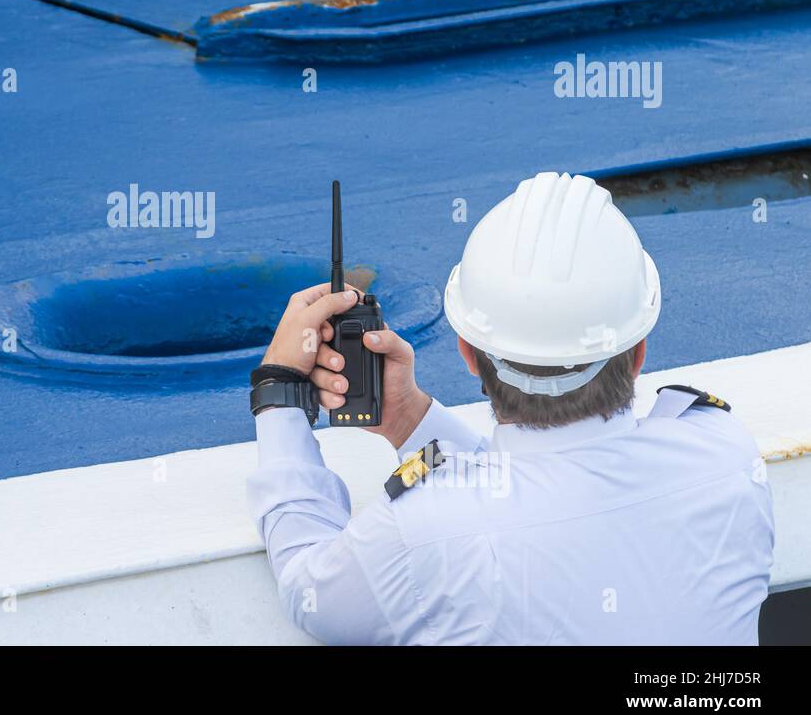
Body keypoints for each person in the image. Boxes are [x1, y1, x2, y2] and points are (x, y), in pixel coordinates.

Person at [247, 172, 774, 644]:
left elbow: (309, 592)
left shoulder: (419, 533)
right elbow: (549, 489)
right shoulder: (724, 455)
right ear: (637, 354)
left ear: (468, 355)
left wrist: (279, 394)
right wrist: (408, 417)